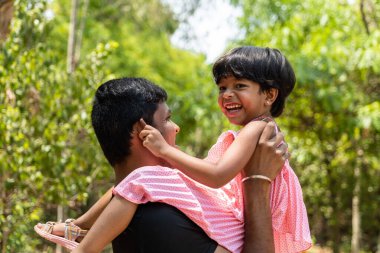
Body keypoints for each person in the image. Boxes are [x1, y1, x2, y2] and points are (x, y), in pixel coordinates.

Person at [79, 46, 311, 252]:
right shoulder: (249, 133)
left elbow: (217, 176)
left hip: (247, 216)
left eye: (239, 85)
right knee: (140, 180)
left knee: (140, 180)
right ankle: (79, 227)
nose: (227, 94)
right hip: (243, 215)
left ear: (270, 95)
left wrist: (165, 151)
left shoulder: (256, 129)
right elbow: (205, 173)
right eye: (222, 87)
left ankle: (79, 234)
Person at [35, 77, 288, 253]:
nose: (176, 127)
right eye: (167, 119)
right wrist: (256, 182)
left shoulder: (144, 199)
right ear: (142, 131)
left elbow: (121, 190)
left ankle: (74, 228)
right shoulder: (159, 218)